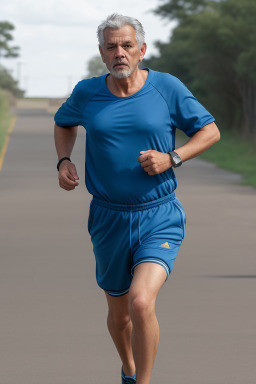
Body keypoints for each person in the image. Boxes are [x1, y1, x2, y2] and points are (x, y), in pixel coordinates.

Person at [54, 13, 220, 384]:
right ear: (102, 52)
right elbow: (64, 122)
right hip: (108, 218)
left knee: (141, 302)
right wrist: (64, 160)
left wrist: (172, 157)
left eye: (127, 45)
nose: (120, 53)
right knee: (120, 314)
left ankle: (143, 381)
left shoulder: (167, 88)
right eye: (111, 46)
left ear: (141, 49)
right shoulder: (87, 93)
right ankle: (129, 368)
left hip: (158, 214)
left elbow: (210, 132)